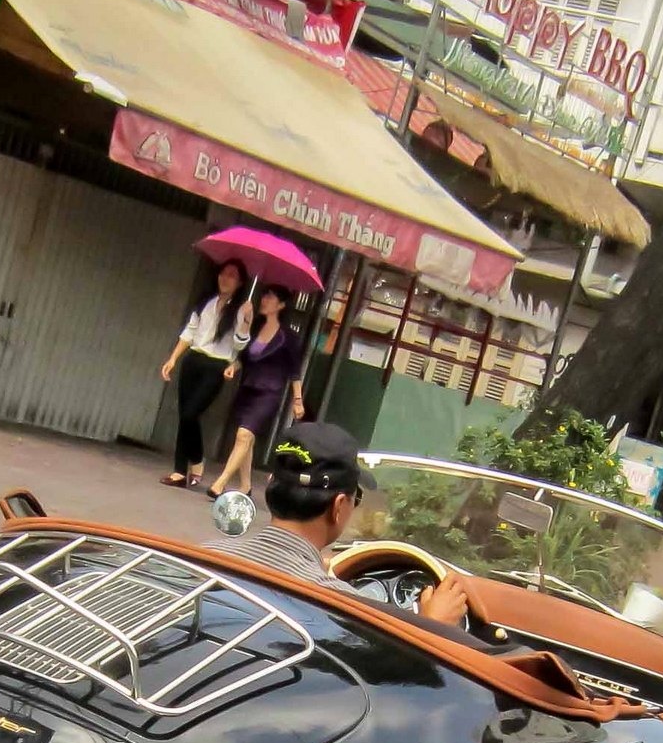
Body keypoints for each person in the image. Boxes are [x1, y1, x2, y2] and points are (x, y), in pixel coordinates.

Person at [207, 422, 467, 626]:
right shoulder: (340, 608)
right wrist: (432, 626)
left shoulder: (205, 557)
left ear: (270, 486)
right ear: (339, 506)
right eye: (357, 498)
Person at [159, 262, 251, 490]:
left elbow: (240, 345)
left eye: (232, 276)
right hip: (193, 360)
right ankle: (179, 472)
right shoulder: (205, 303)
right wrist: (173, 358)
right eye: (223, 273)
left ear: (240, 283)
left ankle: (198, 459)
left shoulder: (241, 310)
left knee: (191, 413)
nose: (225, 278)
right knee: (184, 415)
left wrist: (246, 322)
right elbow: (189, 333)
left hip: (216, 366)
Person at [209, 284, 303, 499]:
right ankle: (246, 486)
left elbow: (294, 371)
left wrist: (297, 400)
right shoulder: (256, 326)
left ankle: (220, 483)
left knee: (243, 435)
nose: (264, 300)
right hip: (248, 388)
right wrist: (233, 366)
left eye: (270, 297)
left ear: (281, 305)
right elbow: (244, 357)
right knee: (246, 439)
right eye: (265, 296)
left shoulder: (288, 336)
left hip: (269, 392)